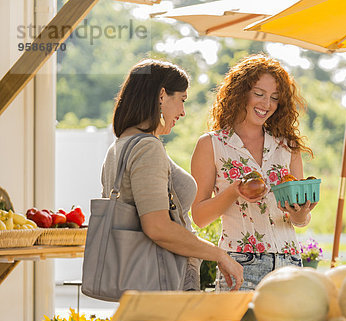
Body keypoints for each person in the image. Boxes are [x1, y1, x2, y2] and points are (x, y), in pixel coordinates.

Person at [101, 59, 244, 291]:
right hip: (162, 284)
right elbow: (158, 227)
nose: (183, 112)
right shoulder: (147, 148)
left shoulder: (120, 146)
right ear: (161, 95)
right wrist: (220, 255)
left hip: (137, 282)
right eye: (182, 100)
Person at [191, 54, 317, 292]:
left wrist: (301, 215)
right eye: (259, 94)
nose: (266, 104)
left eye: (274, 98)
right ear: (240, 93)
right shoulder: (212, 144)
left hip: (289, 264)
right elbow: (199, 216)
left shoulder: (288, 147)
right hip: (239, 264)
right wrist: (234, 191)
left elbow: (299, 220)